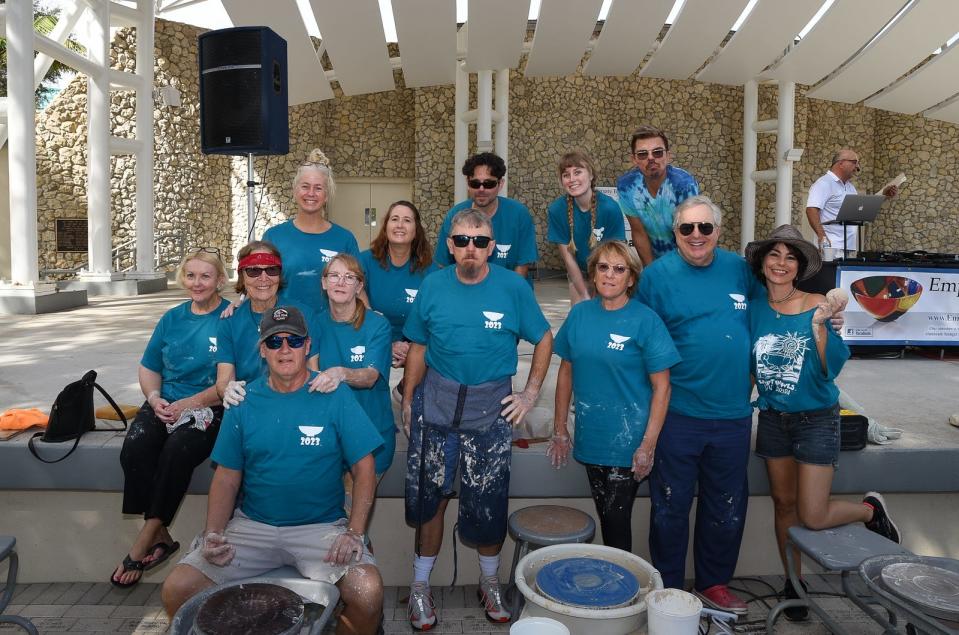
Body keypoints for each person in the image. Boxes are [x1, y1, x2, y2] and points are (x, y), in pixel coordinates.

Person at [161, 306, 384, 635]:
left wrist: (354, 532)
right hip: (253, 528)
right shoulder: (244, 401)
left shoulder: (334, 395)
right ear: (262, 349)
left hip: (320, 528)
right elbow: (226, 477)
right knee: (176, 589)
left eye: (293, 341)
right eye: (274, 341)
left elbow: (365, 468)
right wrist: (213, 533)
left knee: (368, 594)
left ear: (307, 346)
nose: (284, 349)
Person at [402, 209, 553, 629]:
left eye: (480, 241)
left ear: (492, 247)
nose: (471, 248)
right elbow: (417, 345)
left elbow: (544, 336)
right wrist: (409, 399)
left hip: (490, 415)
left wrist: (529, 392)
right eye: (462, 240)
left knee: (488, 506)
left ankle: (490, 583)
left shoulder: (512, 287)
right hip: (435, 409)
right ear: (450, 246)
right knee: (427, 502)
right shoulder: (432, 285)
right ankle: (419, 586)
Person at [745, 224, 900, 621]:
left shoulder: (819, 305)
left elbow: (831, 370)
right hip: (774, 418)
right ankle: (793, 584)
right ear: (763, 262)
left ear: (799, 266)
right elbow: (750, 363)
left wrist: (822, 326)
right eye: (774, 254)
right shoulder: (755, 306)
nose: (781, 263)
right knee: (783, 505)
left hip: (815, 419)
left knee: (811, 514)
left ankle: (870, 510)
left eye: (790, 256)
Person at [636, 195, 759, 614]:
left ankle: (714, 583)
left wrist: (825, 310)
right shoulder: (655, 277)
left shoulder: (740, 270)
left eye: (704, 228)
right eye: (687, 228)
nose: (696, 235)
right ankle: (669, 589)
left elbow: (774, 311)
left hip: (733, 416)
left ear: (718, 232)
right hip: (678, 415)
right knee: (669, 507)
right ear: (675, 234)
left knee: (725, 507)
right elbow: (642, 343)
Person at [547, 241, 679, 551]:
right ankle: (615, 586)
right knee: (607, 517)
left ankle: (622, 588)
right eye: (603, 267)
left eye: (619, 269)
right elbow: (566, 372)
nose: (610, 275)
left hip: (629, 442)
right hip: (592, 437)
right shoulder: (579, 316)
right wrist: (560, 428)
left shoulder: (646, 321)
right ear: (592, 274)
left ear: (631, 279)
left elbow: (663, 387)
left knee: (616, 520)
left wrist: (648, 445)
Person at [112, 247, 230, 588]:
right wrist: (154, 398)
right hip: (166, 402)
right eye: (190, 275)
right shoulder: (172, 318)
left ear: (220, 280)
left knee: (177, 451)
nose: (198, 282)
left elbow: (226, 384)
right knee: (134, 448)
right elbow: (149, 367)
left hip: (209, 407)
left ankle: (145, 538)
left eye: (206, 276)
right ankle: (162, 534)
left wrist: (187, 405)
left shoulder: (230, 317)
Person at [311, 254, 396, 477]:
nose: (340, 282)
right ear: (323, 282)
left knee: (354, 508)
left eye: (349, 277)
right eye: (334, 276)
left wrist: (340, 373)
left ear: (359, 286)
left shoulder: (377, 325)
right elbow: (310, 374)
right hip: (328, 438)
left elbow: (370, 377)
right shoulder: (315, 323)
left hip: (369, 436)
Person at [216, 241, 321, 405]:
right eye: (253, 271)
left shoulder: (304, 315)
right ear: (242, 276)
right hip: (248, 404)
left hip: (297, 402)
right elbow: (224, 381)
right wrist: (229, 391)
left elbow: (313, 371)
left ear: (279, 275)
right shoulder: (230, 322)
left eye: (271, 270)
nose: (263, 278)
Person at [263, 149, 360, 311]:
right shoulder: (274, 236)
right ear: (295, 191)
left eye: (318, 188)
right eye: (305, 186)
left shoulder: (344, 239)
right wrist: (242, 300)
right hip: (285, 328)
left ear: (327, 195)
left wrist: (370, 315)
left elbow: (357, 287)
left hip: (331, 329)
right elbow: (259, 281)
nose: (311, 194)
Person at [358, 201, 438, 374]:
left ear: (416, 230)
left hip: (418, 351)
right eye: (394, 219)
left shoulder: (430, 270)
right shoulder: (364, 262)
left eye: (407, 220)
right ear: (386, 226)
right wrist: (388, 344)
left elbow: (434, 320)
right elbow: (356, 309)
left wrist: (413, 349)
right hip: (372, 346)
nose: (400, 225)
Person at [434, 152, 538, 278]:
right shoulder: (454, 216)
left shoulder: (519, 215)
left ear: (500, 184)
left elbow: (522, 265)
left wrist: (507, 296)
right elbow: (444, 265)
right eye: (475, 183)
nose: (481, 189)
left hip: (509, 293)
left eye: (488, 184)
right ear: (468, 183)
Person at [546, 149, 626, 304]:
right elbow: (568, 259)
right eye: (566, 175)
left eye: (577, 172)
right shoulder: (557, 210)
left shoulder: (610, 208)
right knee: (580, 314)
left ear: (590, 175)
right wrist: (584, 294)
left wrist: (601, 288)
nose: (572, 179)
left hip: (608, 271)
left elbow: (615, 256)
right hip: (579, 272)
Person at [617, 125, 699, 265]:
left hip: (687, 259)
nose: (650, 158)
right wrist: (652, 271)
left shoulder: (684, 185)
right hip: (655, 258)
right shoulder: (626, 186)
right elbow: (638, 232)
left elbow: (691, 234)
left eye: (657, 152)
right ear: (634, 159)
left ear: (668, 156)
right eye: (643, 154)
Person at [805, 148, 898, 254]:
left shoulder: (850, 187)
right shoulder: (824, 183)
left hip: (848, 248)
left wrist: (884, 195)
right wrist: (822, 237)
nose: (858, 168)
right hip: (830, 247)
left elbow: (862, 209)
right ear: (841, 163)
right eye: (854, 163)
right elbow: (811, 209)